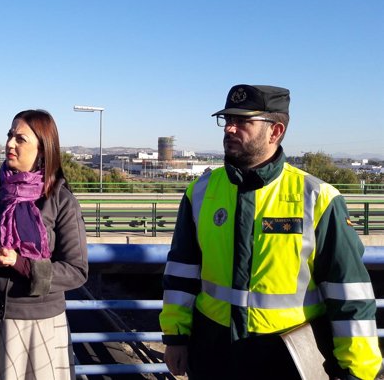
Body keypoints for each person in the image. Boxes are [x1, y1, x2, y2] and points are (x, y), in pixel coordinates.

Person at [159, 84, 382, 380]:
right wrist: (176, 337)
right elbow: (181, 272)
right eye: (227, 120)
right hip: (212, 353)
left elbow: (349, 294)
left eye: (242, 121)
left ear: (275, 131)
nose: (229, 129)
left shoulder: (318, 198)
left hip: (286, 358)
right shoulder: (200, 192)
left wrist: (358, 371)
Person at [0, 109, 88, 380]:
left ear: (43, 150)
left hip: (38, 328)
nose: (10, 144)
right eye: (10, 135)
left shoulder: (61, 201)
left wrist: (22, 264)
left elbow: (76, 269)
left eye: (20, 139)